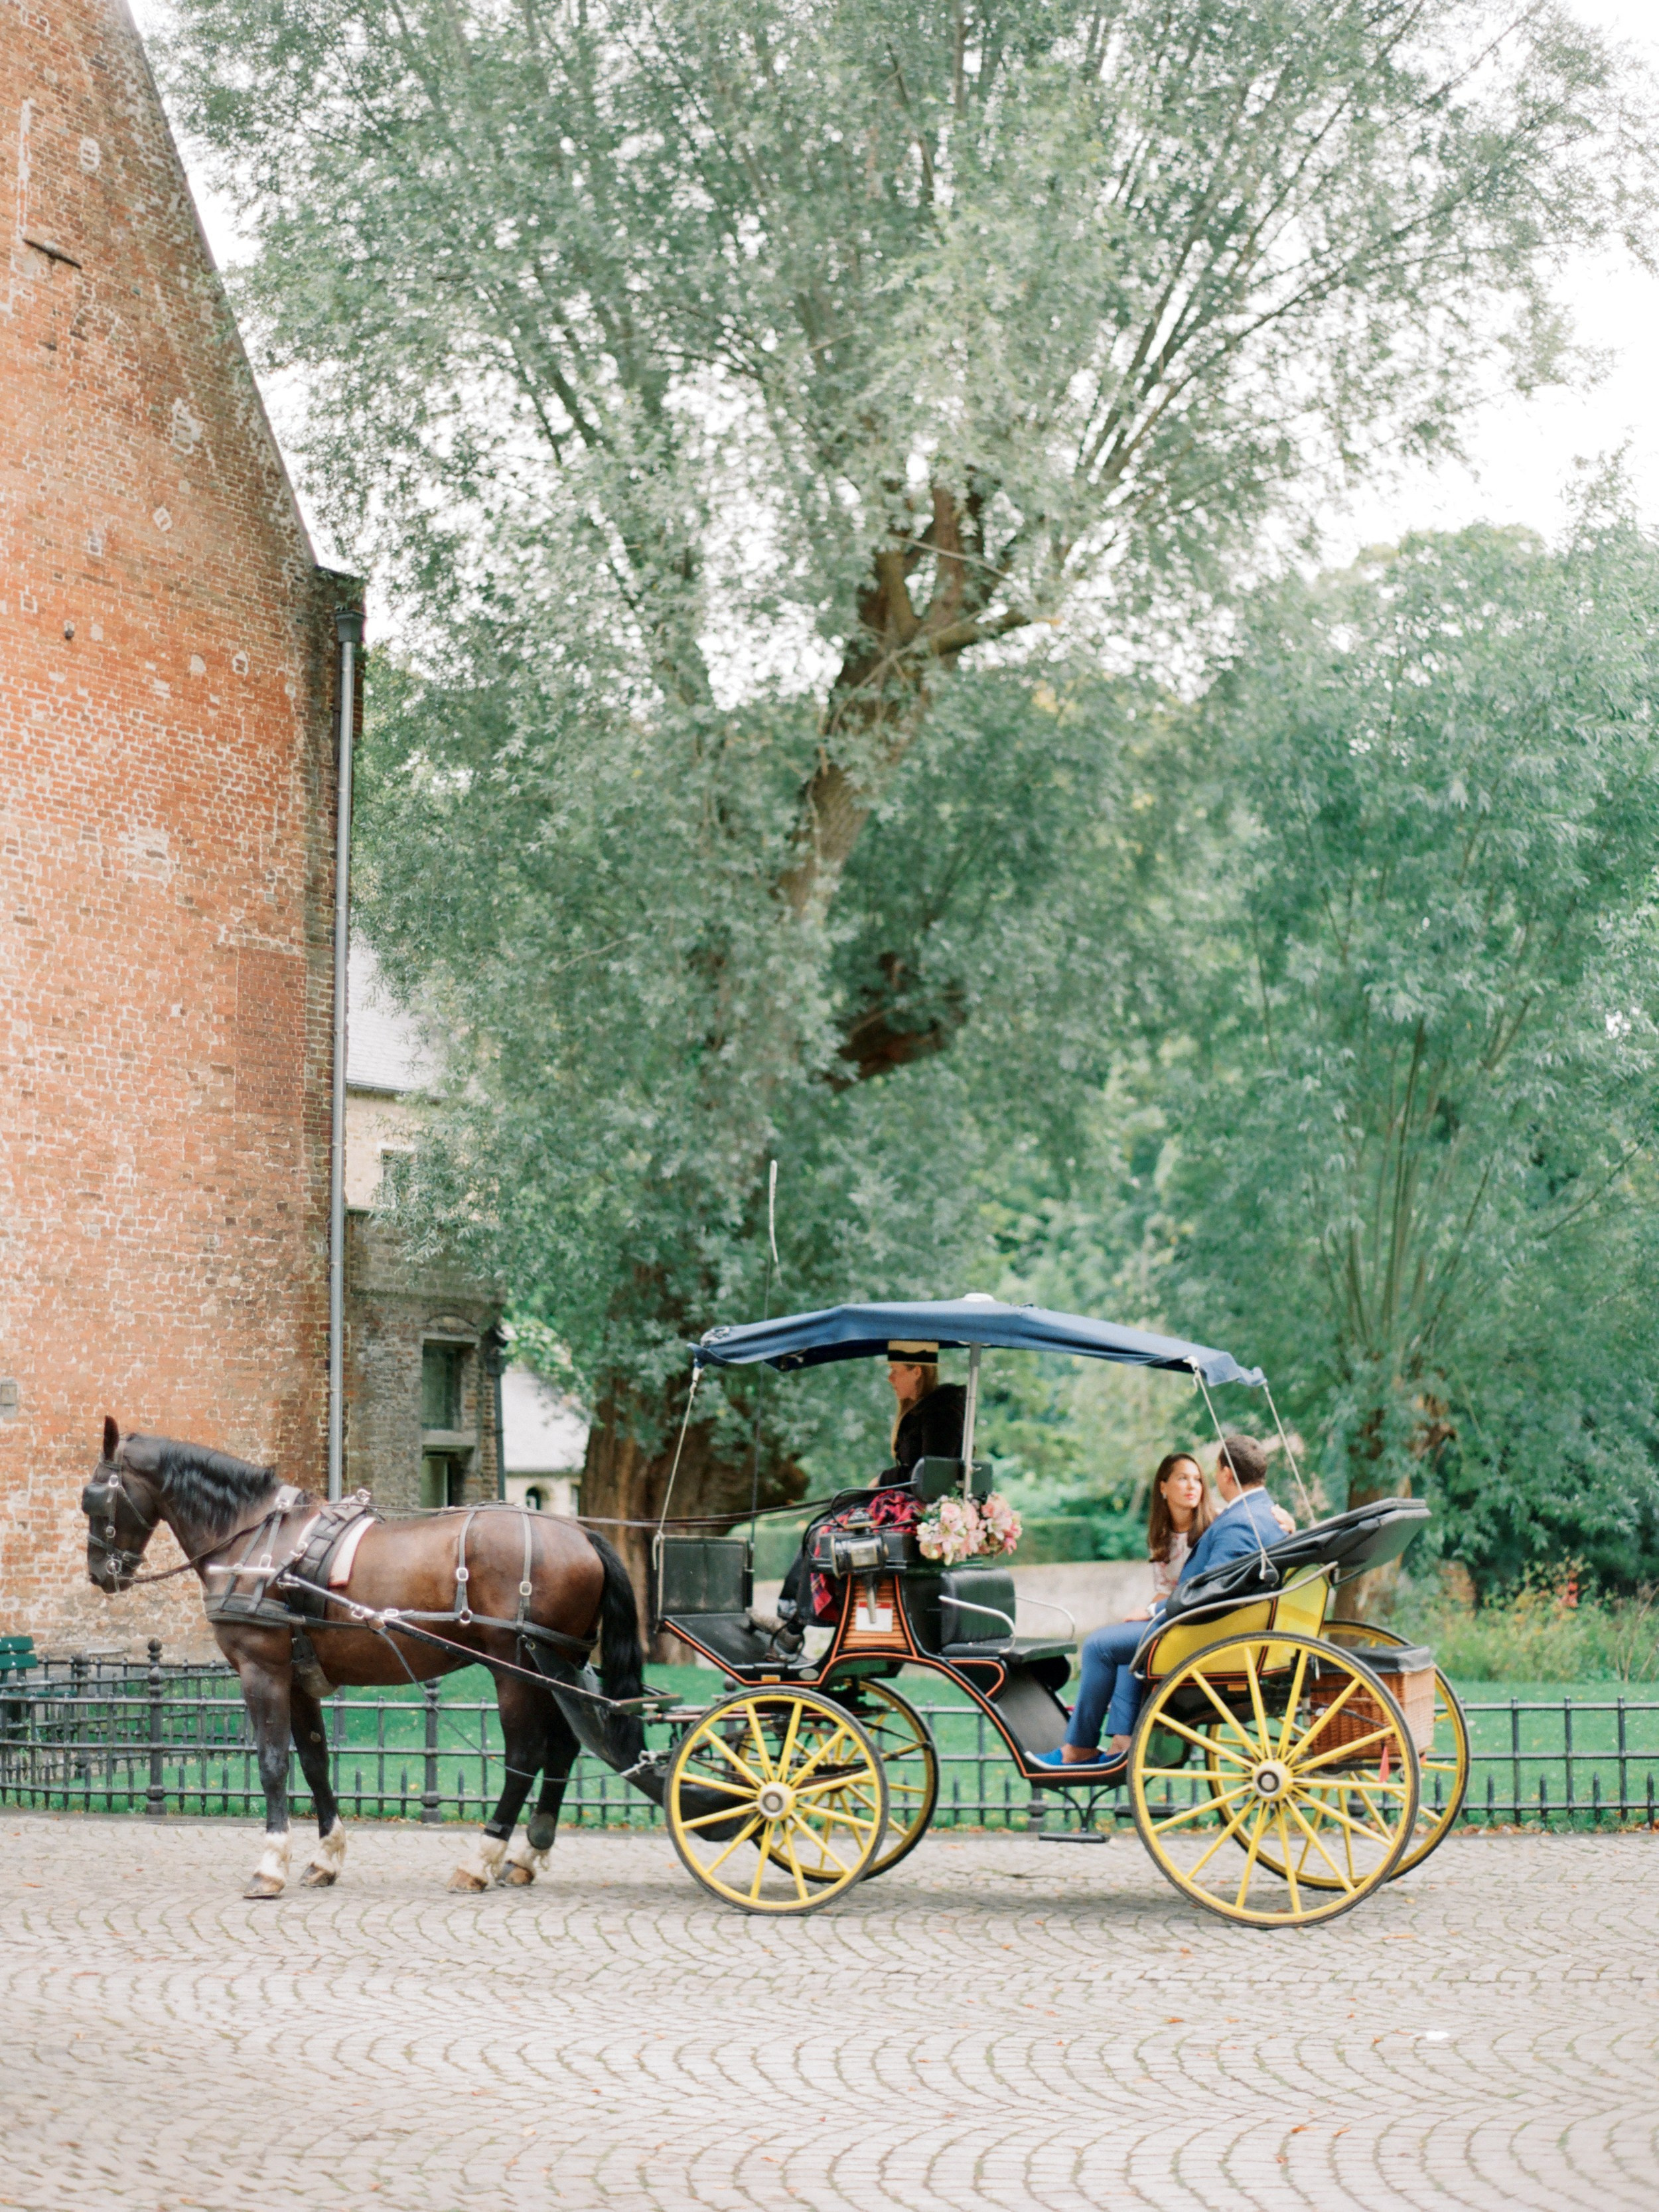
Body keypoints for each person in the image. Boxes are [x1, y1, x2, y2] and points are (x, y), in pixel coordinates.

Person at [1036, 1434, 1290, 1775]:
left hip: (1205, 1633)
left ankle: (1078, 1747)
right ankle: (1121, 1745)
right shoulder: (1266, 1515)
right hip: (1212, 1625)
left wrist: (1155, 1612)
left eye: (1209, 1473)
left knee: (1097, 1645)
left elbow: (1211, 1591)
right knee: (1128, 1644)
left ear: (1226, 1474)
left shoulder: (1238, 1522)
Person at [771, 1343, 966, 1632]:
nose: (890, 1378)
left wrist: (881, 1480)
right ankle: (792, 1616)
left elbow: (928, 1473)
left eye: (895, 1371)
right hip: (902, 1496)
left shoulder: (939, 1413)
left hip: (910, 1504)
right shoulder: (927, 1411)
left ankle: (793, 1623)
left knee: (823, 1530)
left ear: (917, 1372)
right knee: (825, 1521)